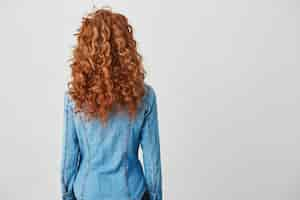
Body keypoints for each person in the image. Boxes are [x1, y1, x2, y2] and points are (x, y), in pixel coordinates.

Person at [60, 8, 163, 200]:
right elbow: (152, 163)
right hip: (131, 192)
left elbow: (69, 159)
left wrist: (67, 195)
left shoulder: (74, 97)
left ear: (85, 50)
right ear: (126, 49)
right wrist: (156, 196)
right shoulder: (145, 96)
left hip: (87, 191)